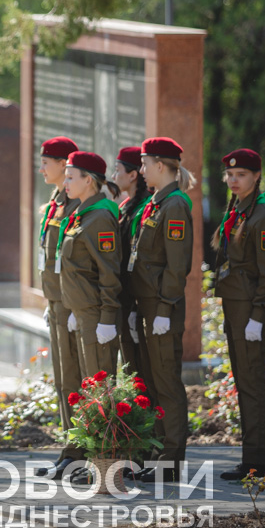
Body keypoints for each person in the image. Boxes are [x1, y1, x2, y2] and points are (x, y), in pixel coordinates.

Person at [129, 137, 196, 483]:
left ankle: (170, 459)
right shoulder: (157, 203)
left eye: (144, 163)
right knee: (154, 382)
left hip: (161, 308)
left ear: (159, 165)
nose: (141, 170)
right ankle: (158, 454)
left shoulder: (175, 206)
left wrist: (165, 308)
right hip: (148, 306)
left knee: (167, 383)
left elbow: (176, 265)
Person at [213, 148, 265, 481]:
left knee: (254, 382)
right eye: (229, 175)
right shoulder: (240, 208)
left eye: (241, 175)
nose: (233, 180)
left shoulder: (263, 214)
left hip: (250, 311)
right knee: (245, 382)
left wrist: (260, 314)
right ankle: (251, 458)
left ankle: (258, 460)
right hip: (236, 307)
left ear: (257, 176)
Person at [33, 136, 83, 481]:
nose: (42, 169)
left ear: (65, 164)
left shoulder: (78, 202)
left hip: (72, 302)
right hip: (57, 300)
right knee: (64, 380)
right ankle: (70, 449)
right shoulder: (56, 200)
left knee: (77, 378)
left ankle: (81, 451)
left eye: (47, 163)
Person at [58, 152, 121, 379]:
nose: (64, 183)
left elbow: (109, 272)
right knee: (90, 390)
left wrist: (106, 318)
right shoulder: (82, 214)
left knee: (101, 392)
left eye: (70, 177)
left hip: (95, 314)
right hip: (83, 311)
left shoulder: (100, 217)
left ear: (88, 180)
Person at [114, 146, 150, 374]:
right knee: (130, 369)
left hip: (140, 300)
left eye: (117, 170)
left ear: (133, 175)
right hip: (124, 298)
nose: (113, 177)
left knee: (144, 367)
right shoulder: (125, 207)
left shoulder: (146, 208)